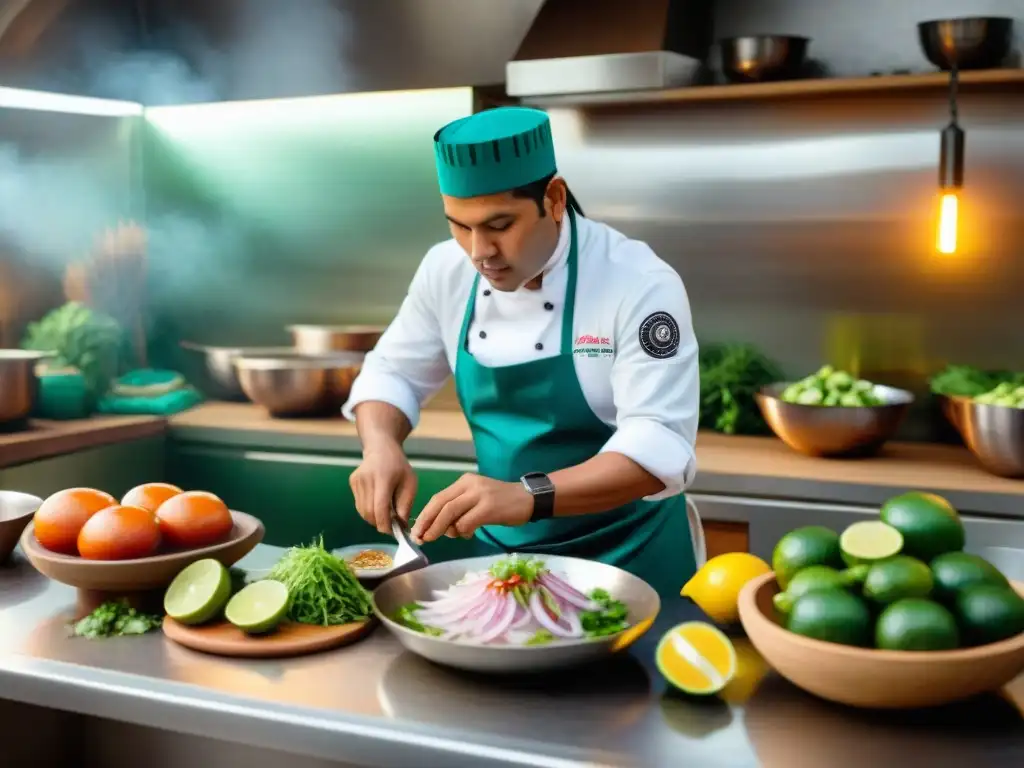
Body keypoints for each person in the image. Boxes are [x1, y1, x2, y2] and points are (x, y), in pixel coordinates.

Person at [342, 106, 702, 599]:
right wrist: (380, 446)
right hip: (504, 566)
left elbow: (658, 446)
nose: (478, 251)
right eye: (459, 226)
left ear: (554, 199)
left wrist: (524, 495)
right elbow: (391, 374)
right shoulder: (446, 270)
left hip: (629, 563)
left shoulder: (638, 283)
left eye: (499, 225)